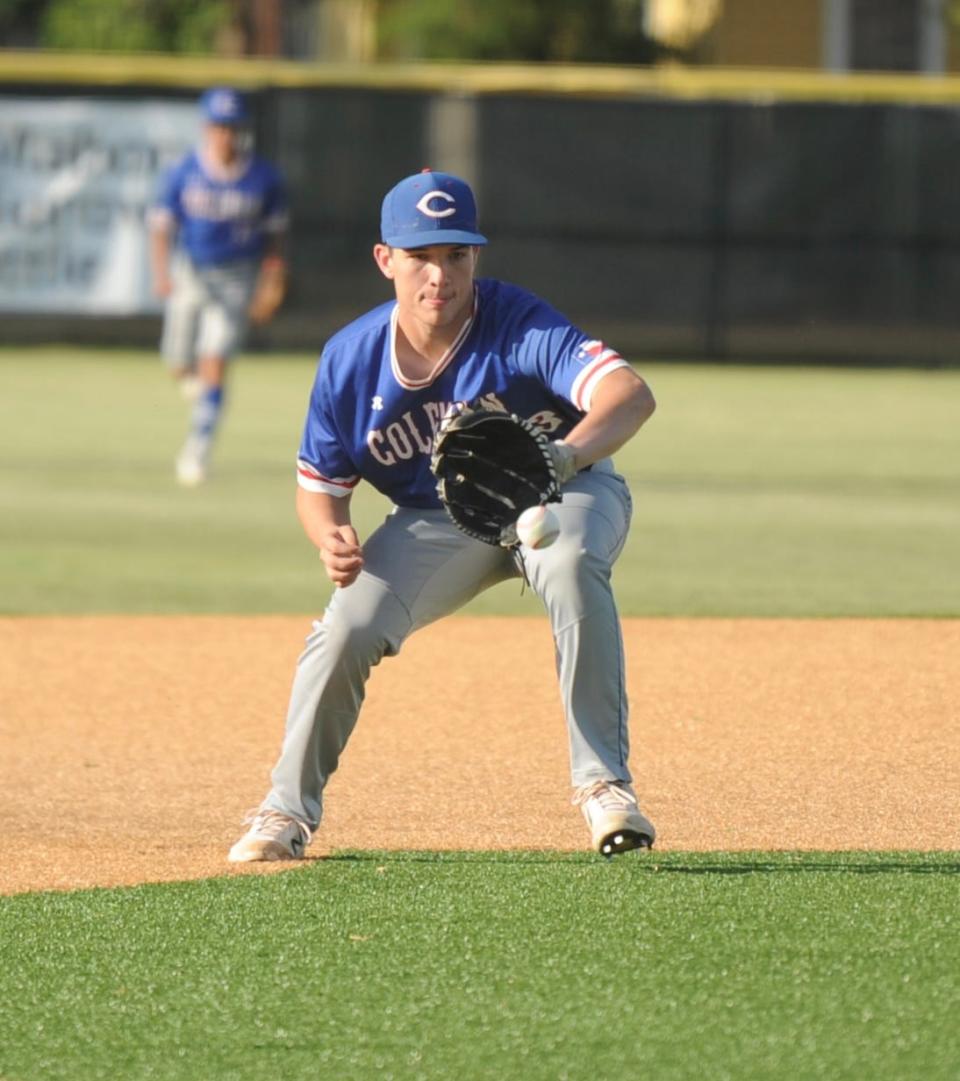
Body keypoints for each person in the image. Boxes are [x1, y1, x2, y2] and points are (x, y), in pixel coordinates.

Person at [228, 169, 657, 862]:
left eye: (456, 254)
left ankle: (605, 787)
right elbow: (319, 482)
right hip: (438, 520)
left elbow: (629, 395)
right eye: (420, 255)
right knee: (348, 625)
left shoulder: (519, 322)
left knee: (567, 559)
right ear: (385, 260)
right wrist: (328, 532)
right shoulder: (351, 359)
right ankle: (285, 811)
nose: (439, 275)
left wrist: (565, 456)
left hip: (562, 494)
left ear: (475, 259)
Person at [148, 86, 289, 486]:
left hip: (237, 277)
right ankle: (195, 383)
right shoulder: (184, 172)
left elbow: (276, 235)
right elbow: (161, 227)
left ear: (241, 130)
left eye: (232, 127)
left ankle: (197, 448)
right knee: (177, 361)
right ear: (206, 128)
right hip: (191, 271)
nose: (225, 135)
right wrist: (161, 274)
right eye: (218, 126)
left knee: (216, 359)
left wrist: (272, 278)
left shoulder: (263, 178)